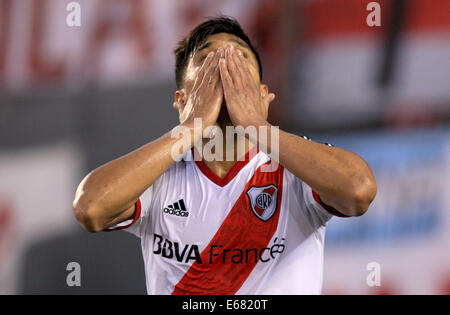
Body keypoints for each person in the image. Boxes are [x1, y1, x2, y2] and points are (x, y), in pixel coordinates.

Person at [72, 17, 377, 295]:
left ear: (261, 96)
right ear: (182, 100)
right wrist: (190, 129)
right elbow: (90, 207)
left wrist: (258, 127)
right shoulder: (159, 172)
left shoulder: (295, 168)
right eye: (207, 59)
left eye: (239, 57)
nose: (224, 65)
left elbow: (358, 190)